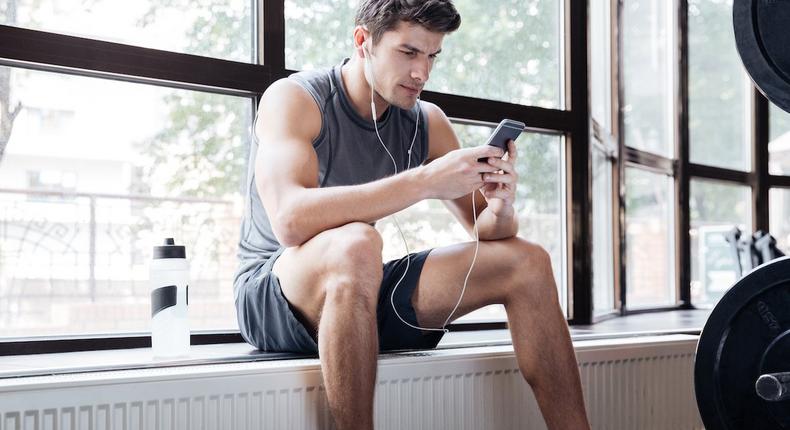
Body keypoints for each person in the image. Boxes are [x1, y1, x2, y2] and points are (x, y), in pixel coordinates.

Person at [233, 1, 591, 428]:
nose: (422, 73)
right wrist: (424, 182)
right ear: (363, 41)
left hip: (356, 286)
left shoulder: (426, 121)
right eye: (408, 53)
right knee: (358, 243)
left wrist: (500, 205)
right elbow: (289, 221)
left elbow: (487, 231)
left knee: (528, 261)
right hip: (274, 293)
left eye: (432, 56)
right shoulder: (296, 99)